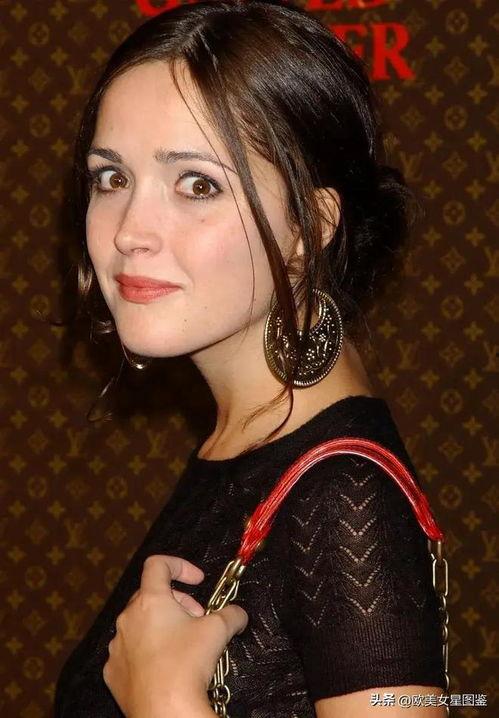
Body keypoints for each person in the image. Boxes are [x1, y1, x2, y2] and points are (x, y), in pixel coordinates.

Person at [54, 1, 448, 716]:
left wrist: (166, 702)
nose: (129, 231)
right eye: (111, 178)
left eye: (197, 184)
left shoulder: (343, 495)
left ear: (309, 226)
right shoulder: (245, 442)